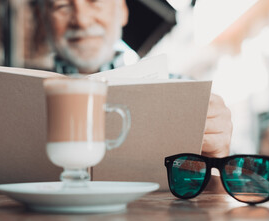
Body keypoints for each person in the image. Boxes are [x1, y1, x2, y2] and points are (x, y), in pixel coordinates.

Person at [39, 0, 232, 159]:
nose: (81, 20)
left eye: (94, 1)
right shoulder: (18, 97)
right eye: (61, 5)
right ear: (45, 21)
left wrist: (216, 158)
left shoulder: (183, 92)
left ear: (122, 10)